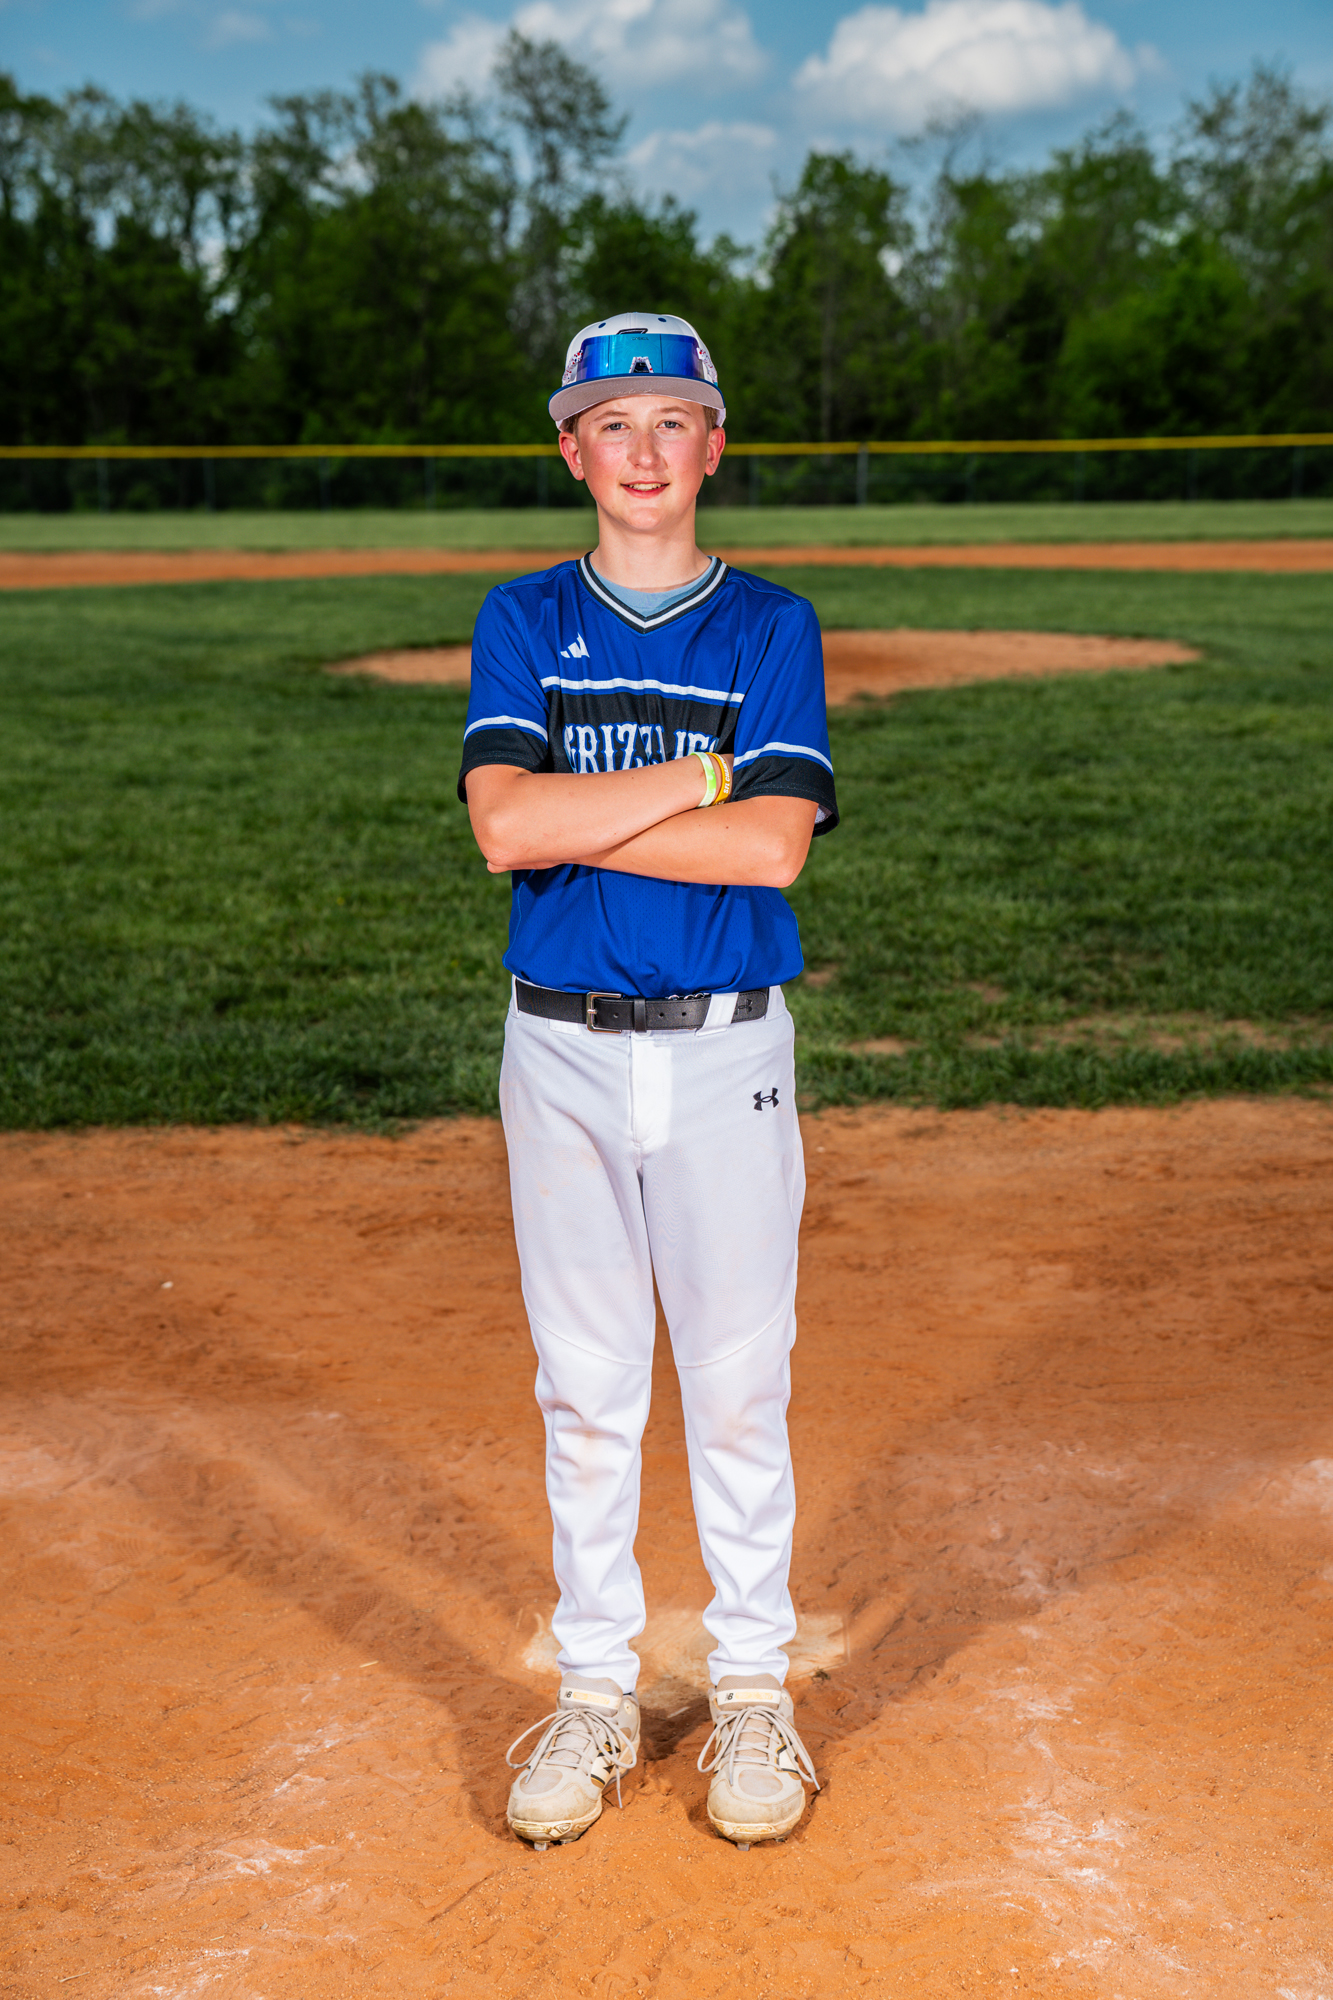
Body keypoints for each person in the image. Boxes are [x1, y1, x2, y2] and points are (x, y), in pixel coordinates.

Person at [459, 311, 837, 1850]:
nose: (641, 448)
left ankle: (750, 1692)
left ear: (712, 444)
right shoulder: (521, 615)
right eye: (609, 422)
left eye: (670, 418)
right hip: (556, 1049)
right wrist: (696, 774)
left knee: (738, 1386)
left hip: (724, 1042)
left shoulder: (770, 628)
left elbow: (774, 849)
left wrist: (584, 807)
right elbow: (502, 828)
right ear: (571, 450)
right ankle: (597, 1692)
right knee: (585, 1387)